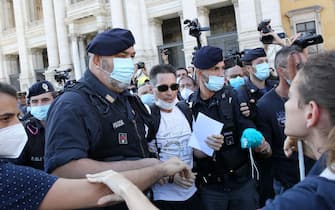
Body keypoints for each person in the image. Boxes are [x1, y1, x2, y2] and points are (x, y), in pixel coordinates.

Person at [0, 82, 193, 210]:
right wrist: (157, 169)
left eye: (16, 116)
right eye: (5, 119)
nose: (17, 126)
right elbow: (99, 191)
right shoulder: (9, 178)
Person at [44, 28, 173, 209]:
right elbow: (64, 170)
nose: (129, 63)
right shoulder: (72, 104)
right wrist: (148, 168)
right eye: (121, 56)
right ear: (97, 61)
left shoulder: (124, 96)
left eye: (131, 56)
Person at [189, 46, 269, 210]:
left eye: (222, 68)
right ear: (199, 72)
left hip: (242, 184)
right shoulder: (189, 106)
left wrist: (257, 141)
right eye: (214, 69)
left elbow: (247, 129)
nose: (220, 74)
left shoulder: (234, 96)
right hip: (211, 188)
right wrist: (203, 146)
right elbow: (189, 149)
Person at [262, 50, 335, 210]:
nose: (286, 104)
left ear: (311, 113)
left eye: (290, 97)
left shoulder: (301, 202)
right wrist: (310, 142)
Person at [255, 46, 314, 206]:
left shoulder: (312, 97)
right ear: (281, 71)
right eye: (298, 67)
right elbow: (267, 152)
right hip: (287, 184)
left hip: (315, 178)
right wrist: (262, 147)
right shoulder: (265, 105)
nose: (304, 72)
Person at [146, 64, 202, 210]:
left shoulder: (185, 110)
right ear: (152, 90)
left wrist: (211, 143)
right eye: (163, 88)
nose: (170, 92)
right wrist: (171, 177)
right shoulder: (148, 117)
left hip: (193, 194)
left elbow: (197, 151)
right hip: (164, 198)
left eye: (174, 86)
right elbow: (142, 160)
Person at [15, 81, 56, 170]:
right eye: (35, 101)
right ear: (29, 104)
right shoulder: (26, 130)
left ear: (55, 100)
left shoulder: (69, 124)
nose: (40, 105)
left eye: (45, 100)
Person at [238, 48, 277, 120]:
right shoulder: (243, 93)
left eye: (266, 61)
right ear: (249, 68)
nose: (265, 65)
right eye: (260, 62)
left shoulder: (276, 86)